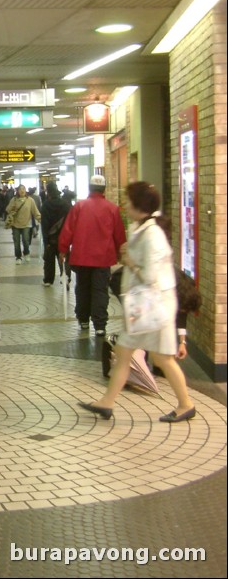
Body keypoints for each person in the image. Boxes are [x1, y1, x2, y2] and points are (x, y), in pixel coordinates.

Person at [79, 181, 196, 423]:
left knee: (161, 358)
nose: (125, 206)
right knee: (124, 352)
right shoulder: (143, 229)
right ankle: (107, 402)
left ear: (139, 205)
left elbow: (150, 275)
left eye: (129, 201)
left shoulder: (151, 235)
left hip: (153, 308)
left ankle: (185, 404)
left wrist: (129, 261)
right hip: (147, 308)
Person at [58, 175, 126, 336]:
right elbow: (119, 236)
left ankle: (83, 320)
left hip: (81, 257)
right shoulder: (112, 209)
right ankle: (100, 325)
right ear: (104, 189)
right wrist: (120, 253)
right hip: (103, 258)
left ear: (90, 188)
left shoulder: (79, 207)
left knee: (82, 288)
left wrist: (63, 250)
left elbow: (67, 230)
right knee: (100, 290)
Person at [40, 182, 71, 287]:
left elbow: (44, 225)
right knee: (64, 258)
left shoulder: (45, 206)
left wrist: (46, 241)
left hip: (50, 237)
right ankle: (66, 277)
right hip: (64, 236)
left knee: (49, 260)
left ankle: (48, 279)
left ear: (48, 192)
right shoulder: (66, 204)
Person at [5, 185, 41, 264]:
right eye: (20, 189)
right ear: (17, 191)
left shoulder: (30, 200)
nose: (22, 191)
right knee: (16, 241)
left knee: (25, 240)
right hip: (15, 224)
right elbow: (7, 209)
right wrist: (12, 206)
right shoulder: (14, 200)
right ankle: (18, 257)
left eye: (24, 189)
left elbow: (35, 211)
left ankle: (26, 252)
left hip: (27, 224)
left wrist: (40, 219)